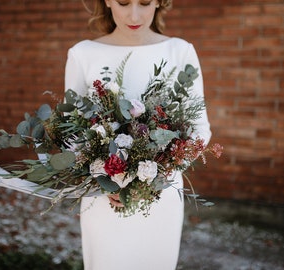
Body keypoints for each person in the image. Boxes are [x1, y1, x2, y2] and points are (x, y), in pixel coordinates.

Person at [64, 0, 212, 269]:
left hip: (160, 196)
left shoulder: (180, 51)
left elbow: (200, 129)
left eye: (144, 2)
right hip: (103, 197)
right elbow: (71, 131)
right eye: (123, 2)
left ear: (159, 2)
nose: (134, 14)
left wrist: (154, 178)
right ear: (108, 1)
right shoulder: (83, 54)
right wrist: (102, 177)